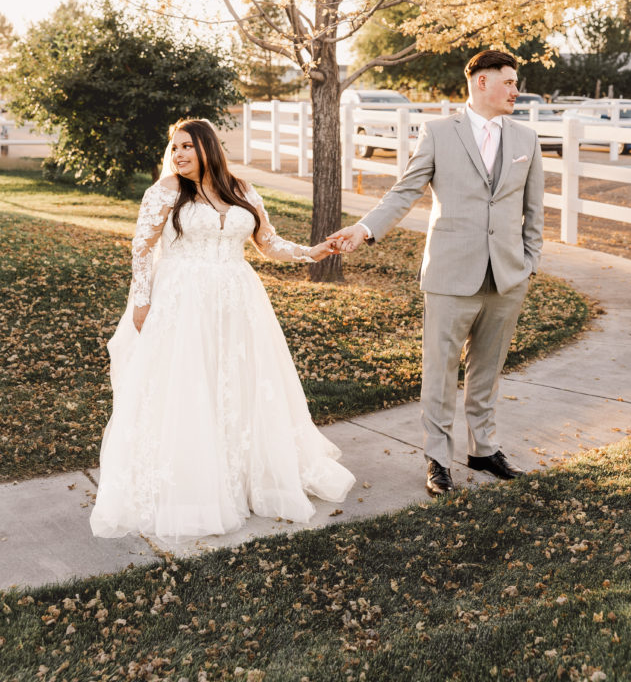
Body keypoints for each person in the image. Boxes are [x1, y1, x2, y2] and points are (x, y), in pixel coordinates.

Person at [91, 118, 354, 540]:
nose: (177, 155)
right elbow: (141, 247)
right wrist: (141, 300)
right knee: (189, 386)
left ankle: (242, 477)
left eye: (186, 147)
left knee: (239, 384)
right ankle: (195, 484)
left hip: (237, 300)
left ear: (208, 148)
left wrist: (311, 252)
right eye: (173, 148)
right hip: (182, 301)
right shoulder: (163, 193)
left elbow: (267, 243)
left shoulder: (242, 190)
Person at [328, 50, 543, 496]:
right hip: (450, 275)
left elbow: (534, 213)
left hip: (506, 278)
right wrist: (366, 229)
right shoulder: (439, 133)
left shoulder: (527, 138)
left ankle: (484, 449)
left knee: (488, 369)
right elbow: (404, 191)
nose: (515, 90)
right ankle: (438, 459)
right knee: (441, 371)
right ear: (481, 82)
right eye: (508, 81)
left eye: (516, 82)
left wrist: (527, 265)